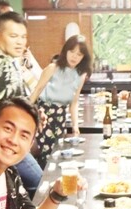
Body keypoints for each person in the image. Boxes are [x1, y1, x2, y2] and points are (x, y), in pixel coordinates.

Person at [0, 11, 43, 198]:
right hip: (4, 139)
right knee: (40, 184)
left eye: (23, 37)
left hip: (9, 136)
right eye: (13, 36)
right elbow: (10, 110)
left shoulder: (3, 60)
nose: (20, 42)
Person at [30, 34, 92, 168]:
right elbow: (37, 90)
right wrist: (25, 114)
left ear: (83, 57)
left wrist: (75, 126)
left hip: (60, 118)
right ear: (65, 51)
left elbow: (74, 103)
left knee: (57, 155)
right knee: (43, 154)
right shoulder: (53, 68)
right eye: (72, 52)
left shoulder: (81, 75)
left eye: (79, 54)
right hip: (43, 116)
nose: (74, 57)